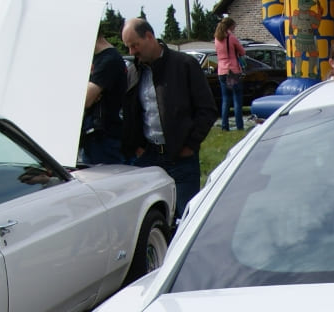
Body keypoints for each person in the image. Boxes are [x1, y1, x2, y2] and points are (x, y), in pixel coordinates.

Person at [121, 18, 215, 221]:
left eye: (134, 45)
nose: (132, 52)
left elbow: (207, 109)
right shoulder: (133, 72)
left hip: (181, 158)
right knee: (151, 219)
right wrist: (137, 147)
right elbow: (130, 113)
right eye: (128, 47)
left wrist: (189, 145)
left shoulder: (184, 65)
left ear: (149, 37)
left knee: (186, 218)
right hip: (148, 157)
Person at [81, 24, 128, 165]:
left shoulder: (109, 60)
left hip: (105, 139)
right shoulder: (98, 59)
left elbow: (86, 99)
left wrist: (86, 91)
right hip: (95, 139)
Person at [214, 15, 245, 132]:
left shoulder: (217, 38)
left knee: (225, 99)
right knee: (236, 98)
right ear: (230, 26)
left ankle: (224, 125)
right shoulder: (230, 37)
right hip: (232, 70)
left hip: (221, 70)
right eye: (234, 26)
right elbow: (242, 51)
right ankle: (239, 125)